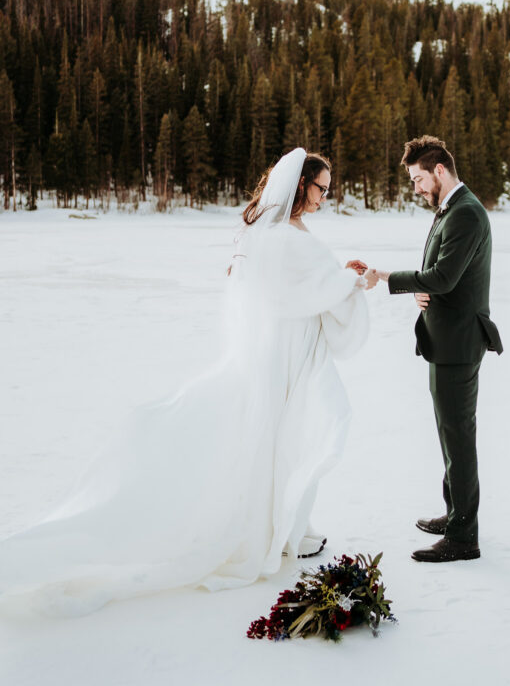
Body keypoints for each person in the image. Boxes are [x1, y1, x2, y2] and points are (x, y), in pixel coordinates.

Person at [0, 148, 377, 617]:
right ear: (301, 185)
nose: (326, 196)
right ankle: (273, 527)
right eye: (322, 187)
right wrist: (349, 280)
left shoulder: (278, 232)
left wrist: (344, 280)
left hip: (294, 354)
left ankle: (289, 524)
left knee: (292, 435)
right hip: (283, 355)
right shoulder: (279, 236)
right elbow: (295, 295)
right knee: (294, 431)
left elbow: (299, 287)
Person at [373, 135, 502, 563]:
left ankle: (464, 537)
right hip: (447, 339)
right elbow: (440, 276)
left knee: (458, 437)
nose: (416, 188)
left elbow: (443, 278)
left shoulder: (465, 213)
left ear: (440, 171)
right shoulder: (452, 209)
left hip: (459, 342)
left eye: (418, 179)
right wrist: (418, 292)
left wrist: (391, 278)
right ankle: (455, 514)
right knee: (450, 435)